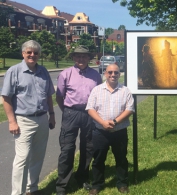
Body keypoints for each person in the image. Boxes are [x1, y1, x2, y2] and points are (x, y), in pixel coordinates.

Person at [1, 40, 55, 195]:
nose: (32, 55)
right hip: (23, 120)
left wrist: (52, 115)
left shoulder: (43, 71)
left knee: (38, 156)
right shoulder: (14, 71)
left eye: (36, 53)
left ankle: (32, 189)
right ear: (23, 53)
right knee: (22, 158)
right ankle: (18, 192)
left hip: (42, 118)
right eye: (29, 52)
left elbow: (49, 96)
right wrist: (12, 121)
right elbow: (6, 98)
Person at [55, 45, 102, 195]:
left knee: (88, 147)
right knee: (67, 148)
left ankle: (82, 177)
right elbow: (59, 97)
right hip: (71, 113)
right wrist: (67, 112)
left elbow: (100, 95)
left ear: (89, 58)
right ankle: (62, 184)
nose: (81, 59)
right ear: (74, 58)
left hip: (90, 113)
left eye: (84, 56)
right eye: (78, 56)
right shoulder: (65, 74)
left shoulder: (95, 75)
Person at [86, 64, 134, 195]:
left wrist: (114, 122)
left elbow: (130, 109)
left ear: (119, 74)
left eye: (116, 73)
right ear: (105, 74)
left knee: (121, 158)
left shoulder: (125, 91)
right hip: (100, 131)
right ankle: (97, 184)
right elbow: (90, 108)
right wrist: (102, 122)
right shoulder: (97, 90)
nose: (113, 75)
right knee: (98, 159)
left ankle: (122, 183)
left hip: (119, 131)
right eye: (110, 72)